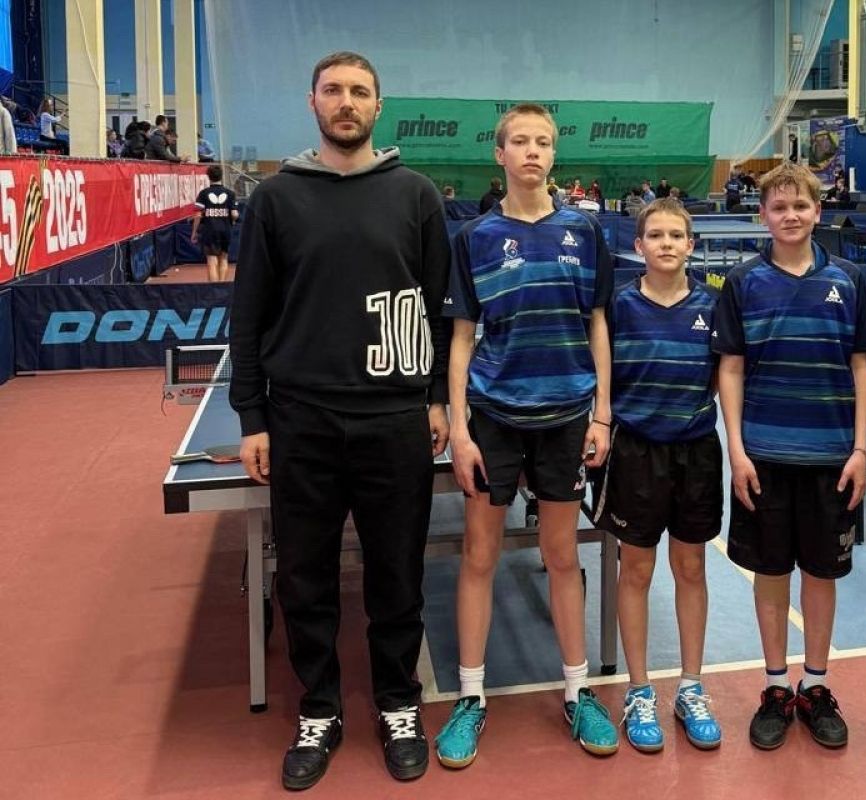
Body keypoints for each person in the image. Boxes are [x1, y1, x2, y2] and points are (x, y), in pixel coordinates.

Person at [229, 51, 450, 790]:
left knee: (397, 575)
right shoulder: (274, 199)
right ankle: (319, 710)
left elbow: (438, 309)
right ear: (313, 102)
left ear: (378, 106)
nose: (346, 102)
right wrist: (252, 415)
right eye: (333, 90)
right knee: (304, 578)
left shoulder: (416, 195)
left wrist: (436, 399)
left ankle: (398, 703)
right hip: (302, 420)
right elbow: (248, 315)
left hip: (394, 419)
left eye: (359, 91)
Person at [435, 102, 618, 768]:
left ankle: (577, 691)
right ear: (500, 154)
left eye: (543, 141)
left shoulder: (585, 232)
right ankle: (471, 697)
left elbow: (598, 324)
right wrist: (460, 428)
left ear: (554, 154)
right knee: (480, 554)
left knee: (562, 555)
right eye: (520, 141)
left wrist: (603, 413)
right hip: (494, 416)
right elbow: (461, 338)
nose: (533, 151)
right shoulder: (475, 238)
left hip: (566, 417)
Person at [712, 160, 866, 752]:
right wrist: (737, 450)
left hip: (832, 458)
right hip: (764, 456)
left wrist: (860, 448)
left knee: (822, 574)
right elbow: (731, 368)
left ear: (818, 211)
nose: (791, 215)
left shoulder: (849, 279)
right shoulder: (744, 281)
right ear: (763, 215)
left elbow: (862, 364)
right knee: (771, 570)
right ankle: (777, 687)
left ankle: (817, 685)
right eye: (779, 207)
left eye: (800, 205)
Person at [595, 197, 723, 754]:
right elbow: (603, 373)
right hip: (635, 453)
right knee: (637, 570)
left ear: (690, 245)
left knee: (691, 567)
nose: (666, 243)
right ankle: (639, 689)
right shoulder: (619, 306)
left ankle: (691, 687)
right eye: (656, 235)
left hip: (695, 452)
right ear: (638, 245)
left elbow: (720, 376)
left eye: (676, 235)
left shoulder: (713, 306)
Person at [191, 164, 239, 282]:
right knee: (224, 259)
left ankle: (213, 289)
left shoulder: (203, 193)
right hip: (225, 230)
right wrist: (232, 221)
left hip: (210, 230)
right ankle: (222, 288)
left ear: (208, 176)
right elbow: (234, 214)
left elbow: (198, 215)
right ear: (221, 176)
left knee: (212, 261)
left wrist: (194, 232)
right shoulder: (230, 193)